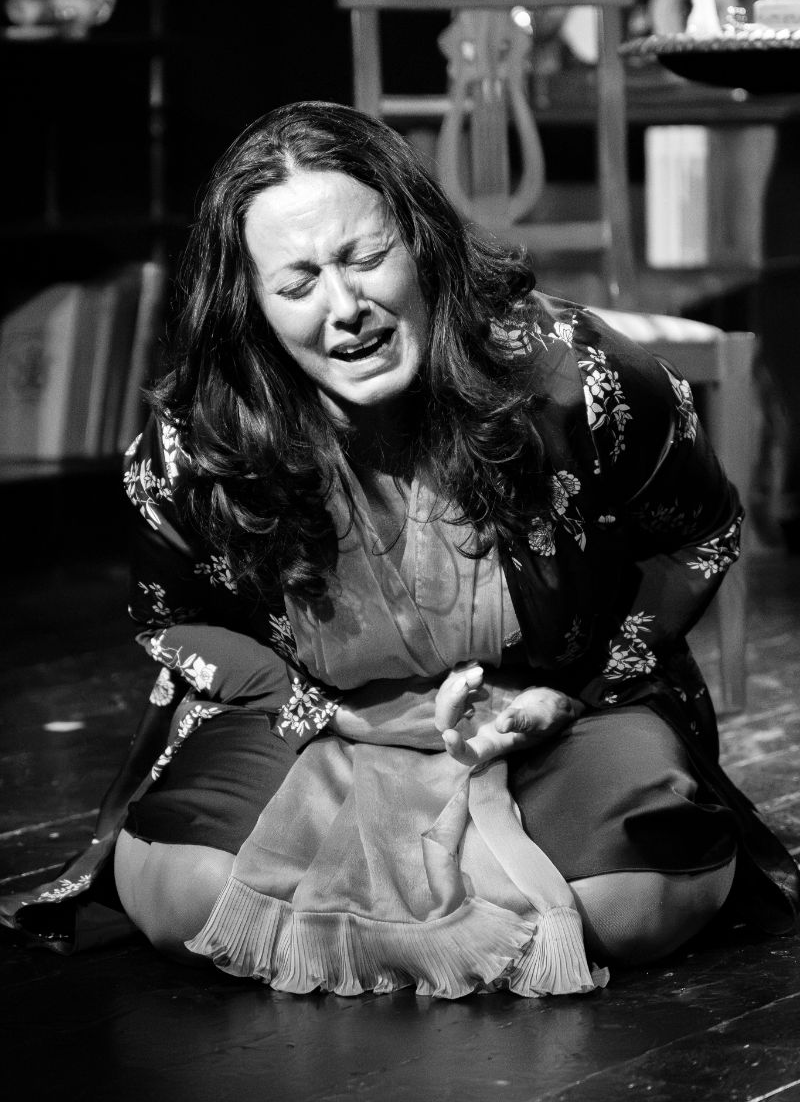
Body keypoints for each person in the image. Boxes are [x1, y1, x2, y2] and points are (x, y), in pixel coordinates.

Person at [2, 101, 797, 996]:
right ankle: (446, 922)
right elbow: (169, 617)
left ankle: (425, 915)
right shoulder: (204, 432)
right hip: (319, 725)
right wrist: (323, 711)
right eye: (297, 285)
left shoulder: (572, 373)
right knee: (181, 893)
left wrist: (571, 693)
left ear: (422, 242)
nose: (345, 309)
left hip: (553, 713)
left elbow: (702, 529)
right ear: (251, 304)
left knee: (632, 900)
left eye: (366, 258)